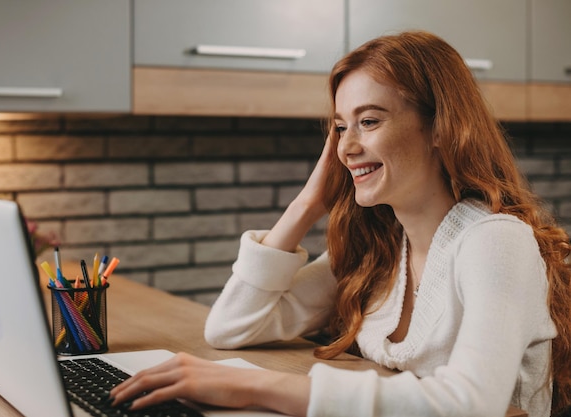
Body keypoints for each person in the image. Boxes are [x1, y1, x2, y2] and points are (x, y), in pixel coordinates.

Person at [109, 31, 571, 417]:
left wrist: (256, 388)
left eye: (368, 121)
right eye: (338, 127)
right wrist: (310, 201)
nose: (346, 148)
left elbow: (470, 403)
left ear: (440, 128)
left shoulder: (495, 241)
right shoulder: (382, 250)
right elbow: (231, 328)